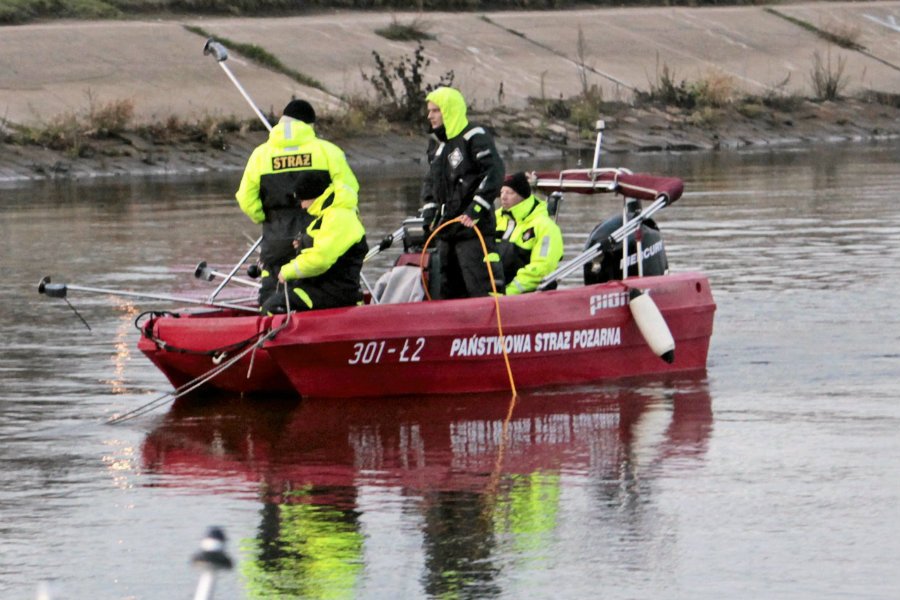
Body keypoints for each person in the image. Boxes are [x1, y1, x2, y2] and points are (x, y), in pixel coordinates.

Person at [235, 99, 364, 310]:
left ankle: (268, 334)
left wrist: (266, 217)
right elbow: (349, 194)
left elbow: (246, 199)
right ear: (310, 125)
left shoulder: (260, 155)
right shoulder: (328, 151)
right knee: (318, 293)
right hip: (317, 237)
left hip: (277, 238)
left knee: (273, 300)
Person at [420, 86, 505, 299]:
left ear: (449, 110)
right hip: (446, 232)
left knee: (478, 285)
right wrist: (429, 213)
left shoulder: (474, 136)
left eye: (435, 110)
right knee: (447, 289)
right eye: (429, 111)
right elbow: (431, 183)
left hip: (472, 230)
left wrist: (474, 209)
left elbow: (494, 172)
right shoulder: (439, 146)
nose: (430, 115)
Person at [495, 172, 565, 294]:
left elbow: (543, 268)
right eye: (501, 192)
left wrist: (508, 292)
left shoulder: (546, 227)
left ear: (523, 196)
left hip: (520, 295)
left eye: (510, 193)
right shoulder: (493, 218)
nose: (503, 197)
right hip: (489, 291)